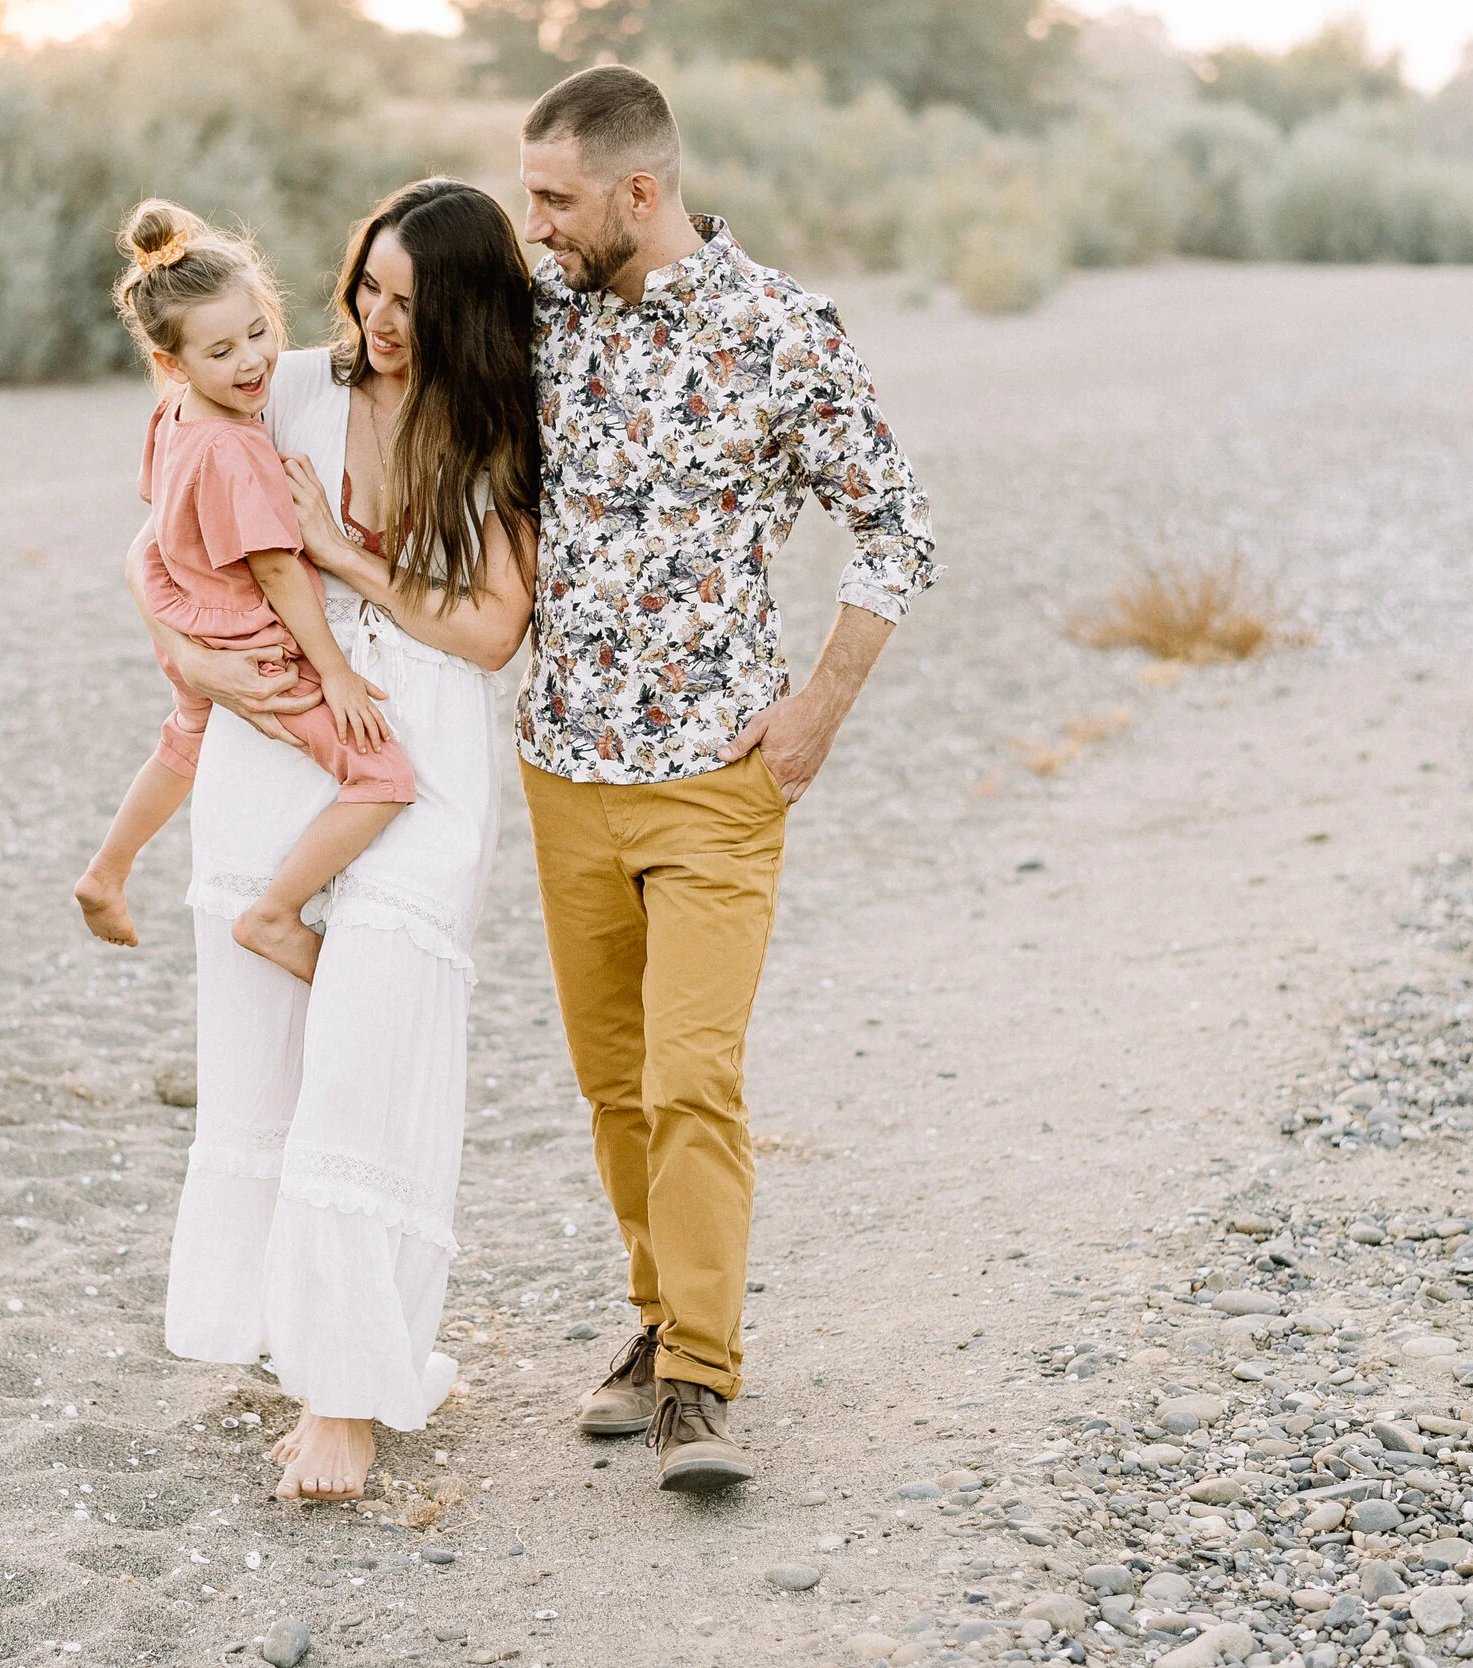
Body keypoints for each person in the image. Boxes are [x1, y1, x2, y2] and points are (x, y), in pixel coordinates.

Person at [515, 66, 940, 1492]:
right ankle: (653, 1323)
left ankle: (700, 1375)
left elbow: (898, 530)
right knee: (613, 1086)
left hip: (714, 780)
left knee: (691, 1074)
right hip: (562, 766)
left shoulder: (776, 329)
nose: (535, 223)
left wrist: (817, 710)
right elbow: (383, 356)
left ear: (639, 191)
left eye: (555, 198)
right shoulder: (541, 317)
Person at [138, 179, 541, 1501]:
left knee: (371, 1044)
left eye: (409, 303)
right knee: (267, 1059)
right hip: (278, 737)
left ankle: (349, 1399)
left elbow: (491, 631)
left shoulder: (493, 425)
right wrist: (190, 656)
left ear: (464, 310)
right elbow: (161, 541)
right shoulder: (287, 385)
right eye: (366, 287)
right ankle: (303, 1340)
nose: (376, 321)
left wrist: (341, 552)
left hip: (420, 751)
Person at [75, 201, 414, 984]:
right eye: (222, 351)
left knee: (184, 737)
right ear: (173, 363)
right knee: (385, 779)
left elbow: (159, 508)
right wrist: (333, 672)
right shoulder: (238, 448)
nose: (254, 361)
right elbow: (276, 570)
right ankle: (274, 914)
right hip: (250, 644)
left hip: (187, 608)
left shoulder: (175, 416)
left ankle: (107, 870)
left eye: (260, 332)